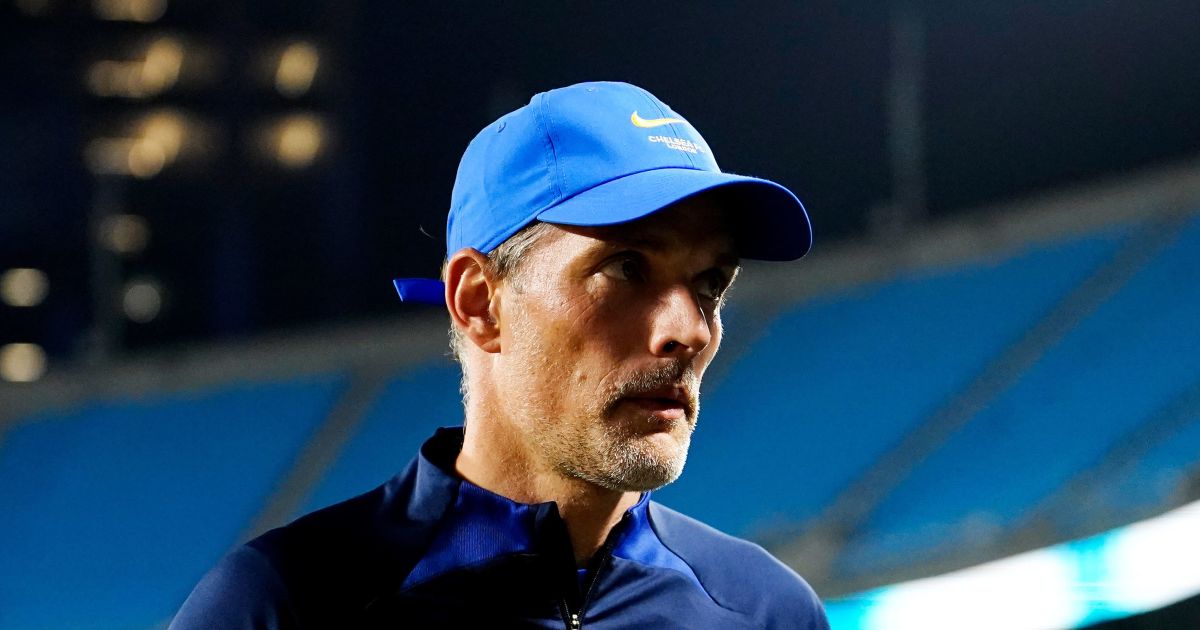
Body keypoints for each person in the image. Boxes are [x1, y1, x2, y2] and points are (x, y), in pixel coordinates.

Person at [172, 81, 829, 629]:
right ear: (480, 302)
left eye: (710, 284)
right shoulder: (284, 604)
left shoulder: (768, 613)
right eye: (627, 268)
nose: (689, 331)